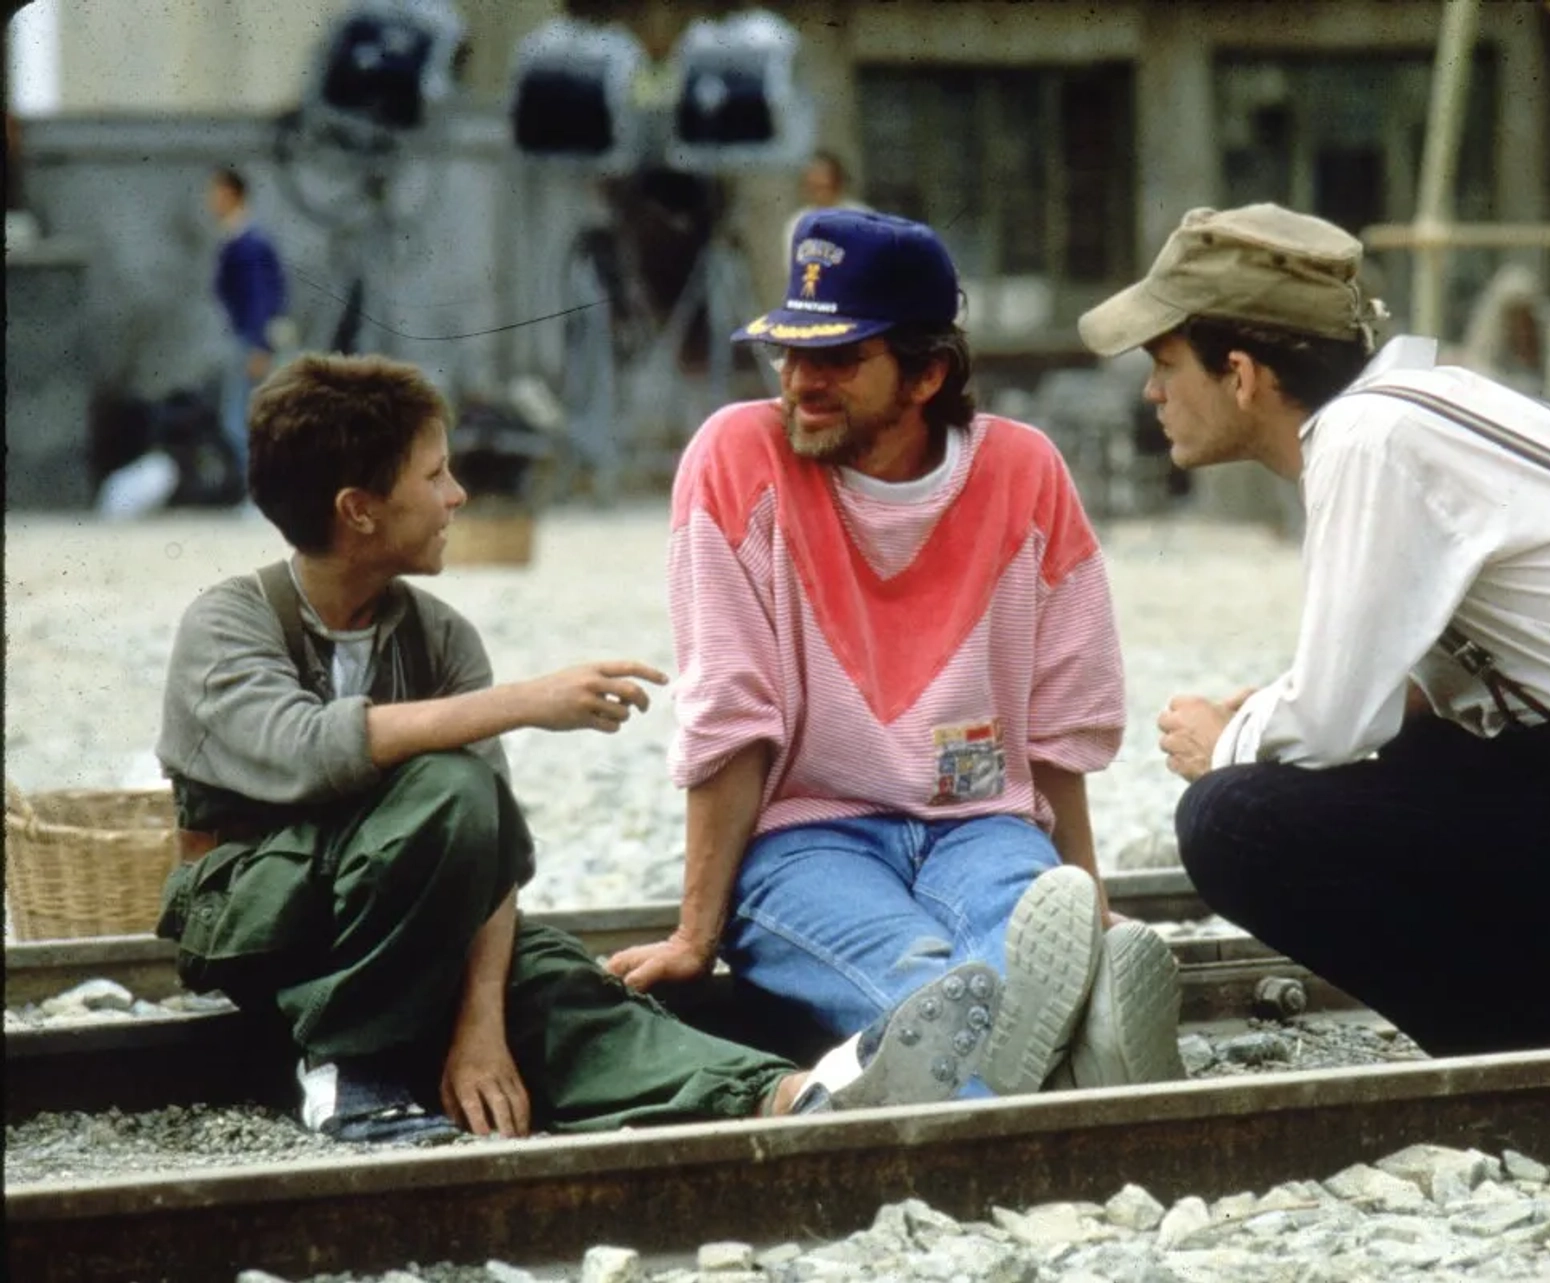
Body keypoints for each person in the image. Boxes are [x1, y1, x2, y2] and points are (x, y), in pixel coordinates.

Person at [153, 352, 1014, 1143]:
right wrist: (522, 704)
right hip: (265, 922)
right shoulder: (230, 624)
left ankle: (796, 1096)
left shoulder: (440, 637)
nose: (456, 494)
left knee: (567, 991)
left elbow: (487, 859)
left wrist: (481, 1025)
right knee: (450, 786)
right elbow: (305, 748)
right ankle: (351, 1067)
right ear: (359, 511)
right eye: (434, 474)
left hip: (406, 928)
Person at [1077, 204, 1550, 1057]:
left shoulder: (1365, 438)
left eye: (1164, 364)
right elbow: (1419, 685)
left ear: (1241, 373)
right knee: (1379, 762)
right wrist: (1272, 714)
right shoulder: (1422, 406)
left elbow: (1331, 721)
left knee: (1231, 819)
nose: (1152, 392)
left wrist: (1225, 740)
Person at [607, 209, 1185, 1095]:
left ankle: (1011, 1066)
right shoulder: (735, 456)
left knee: (1024, 936)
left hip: (985, 825)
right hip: (808, 838)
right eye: (788, 354)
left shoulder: (1024, 471)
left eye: (837, 357)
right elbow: (731, 711)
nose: (800, 381)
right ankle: (1077, 1056)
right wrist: (695, 932)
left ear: (927, 374)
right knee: (936, 983)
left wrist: (1088, 891)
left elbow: (1064, 727)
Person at [207, 166, 288, 479]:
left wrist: (259, 345)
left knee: (240, 418)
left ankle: (260, 490)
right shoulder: (236, 239)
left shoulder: (248, 243)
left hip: (250, 339)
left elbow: (260, 297)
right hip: (245, 336)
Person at [777, 150, 871, 270]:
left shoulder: (864, 217)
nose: (818, 184)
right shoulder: (797, 223)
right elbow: (794, 271)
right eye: (813, 183)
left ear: (838, 181)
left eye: (824, 181)